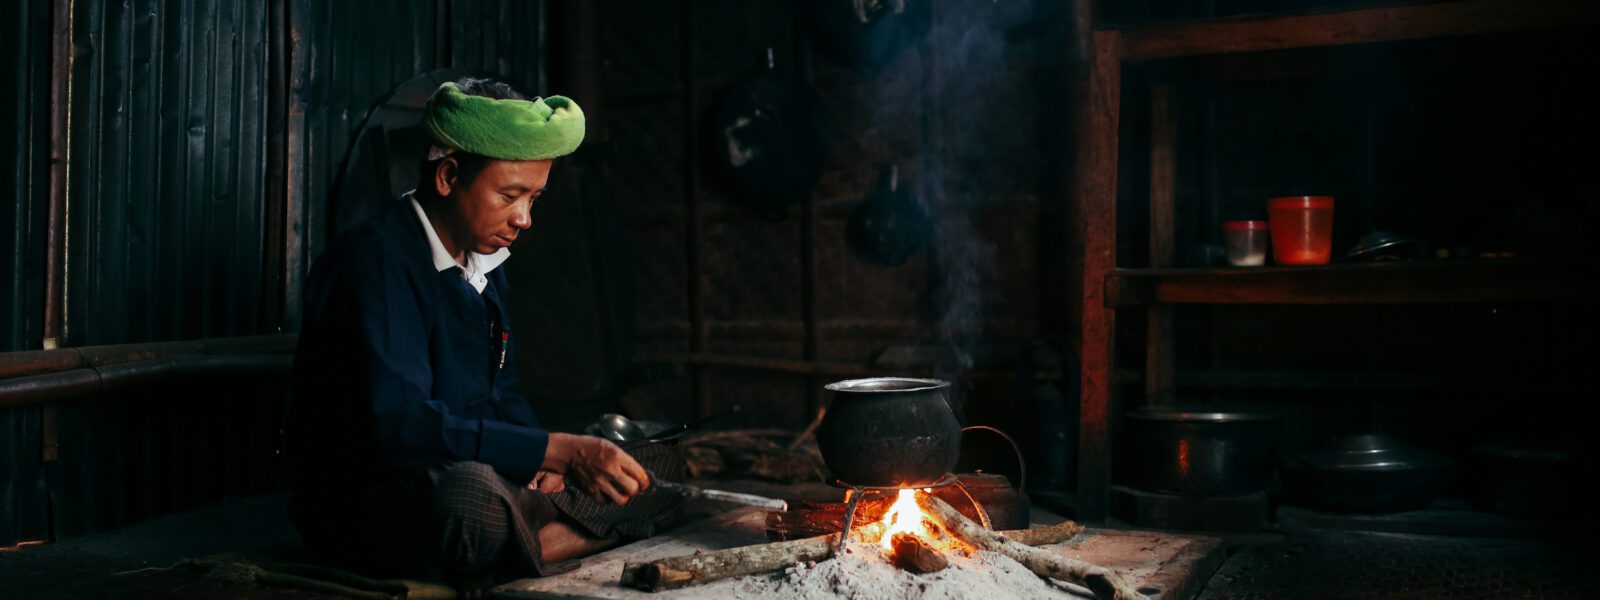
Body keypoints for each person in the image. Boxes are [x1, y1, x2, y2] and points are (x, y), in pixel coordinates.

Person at [288, 78, 681, 595]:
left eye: (535, 198)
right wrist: (553, 449)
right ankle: (542, 537)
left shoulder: (485, 262)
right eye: (510, 195)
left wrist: (545, 466)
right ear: (450, 176)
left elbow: (504, 391)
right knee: (470, 502)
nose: (525, 219)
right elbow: (402, 426)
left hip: (489, 477)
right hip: (383, 497)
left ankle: (526, 535)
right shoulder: (375, 261)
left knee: (658, 466)